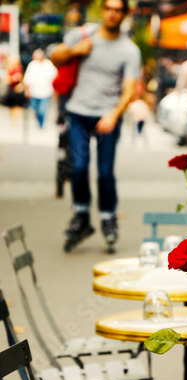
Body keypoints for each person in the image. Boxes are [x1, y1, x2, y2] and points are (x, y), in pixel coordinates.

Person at [50, 0, 141, 253]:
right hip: (78, 113)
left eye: (117, 10)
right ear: (103, 10)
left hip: (107, 117)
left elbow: (129, 90)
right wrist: (74, 50)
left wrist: (114, 114)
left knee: (104, 173)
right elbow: (55, 58)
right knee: (77, 169)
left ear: (124, 14)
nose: (111, 14)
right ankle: (81, 216)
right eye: (108, 8)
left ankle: (108, 218)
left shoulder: (129, 50)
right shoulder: (82, 34)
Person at [23, 49, 57, 128]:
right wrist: (27, 90)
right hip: (34, 91)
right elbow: (28, 78)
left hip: (46, 91)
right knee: (35, 109)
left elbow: (54, 77)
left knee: (43, 109)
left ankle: (42, 123)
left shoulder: (49, 64)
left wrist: (55, 91)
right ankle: (39, 121)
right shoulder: (32, 65)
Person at [2, 55, 26, 126]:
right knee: (11, 106)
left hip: (17, 89)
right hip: (10, 89)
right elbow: (5, 79)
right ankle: (13, 119)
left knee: (17, 106)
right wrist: (12, 78)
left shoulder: (19, 68)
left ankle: (16, 120)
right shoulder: (8, 69)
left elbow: (21, 78)